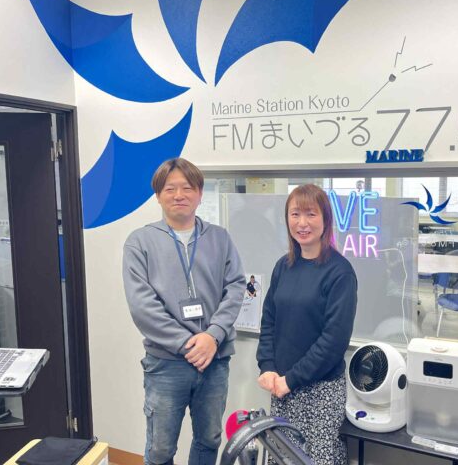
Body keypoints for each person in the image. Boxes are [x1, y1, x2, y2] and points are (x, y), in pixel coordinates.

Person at [123, 158, 245, 465]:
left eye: (187, 188)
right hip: (166, 363)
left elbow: (235, 287)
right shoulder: (140, 242)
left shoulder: (219, 238)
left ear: (200, 193)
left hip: (215, 360)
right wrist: (187, 344)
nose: (179, 195)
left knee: (209, 439)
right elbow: (142, 306)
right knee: (161, 448)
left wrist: (213, 336)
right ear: (158, 195)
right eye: (170, 189)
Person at [256, 184, 358, 464]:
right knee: (282, 458)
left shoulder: (340, 273)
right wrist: (267, 366)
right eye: (295, 214)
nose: (302, 223)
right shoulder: (283, 266)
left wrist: (291, 380)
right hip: (282, 387)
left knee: (318, 459)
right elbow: (269, 320)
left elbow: (333, 341)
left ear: (325, 220)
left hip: (320, 391)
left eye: (311, 214)